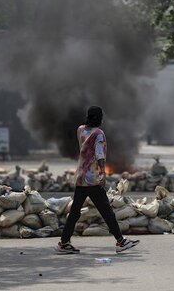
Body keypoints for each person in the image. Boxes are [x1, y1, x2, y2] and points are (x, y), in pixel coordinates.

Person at [55, 106, 140, 254]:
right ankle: (121, 242)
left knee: (75, 211)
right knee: (106, 211)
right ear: (100, 118)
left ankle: (64, 242)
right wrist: (102, 174)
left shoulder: (80, 130)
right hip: (92, 179)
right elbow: (100, 155)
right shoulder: (99, 134)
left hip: (81, 177)